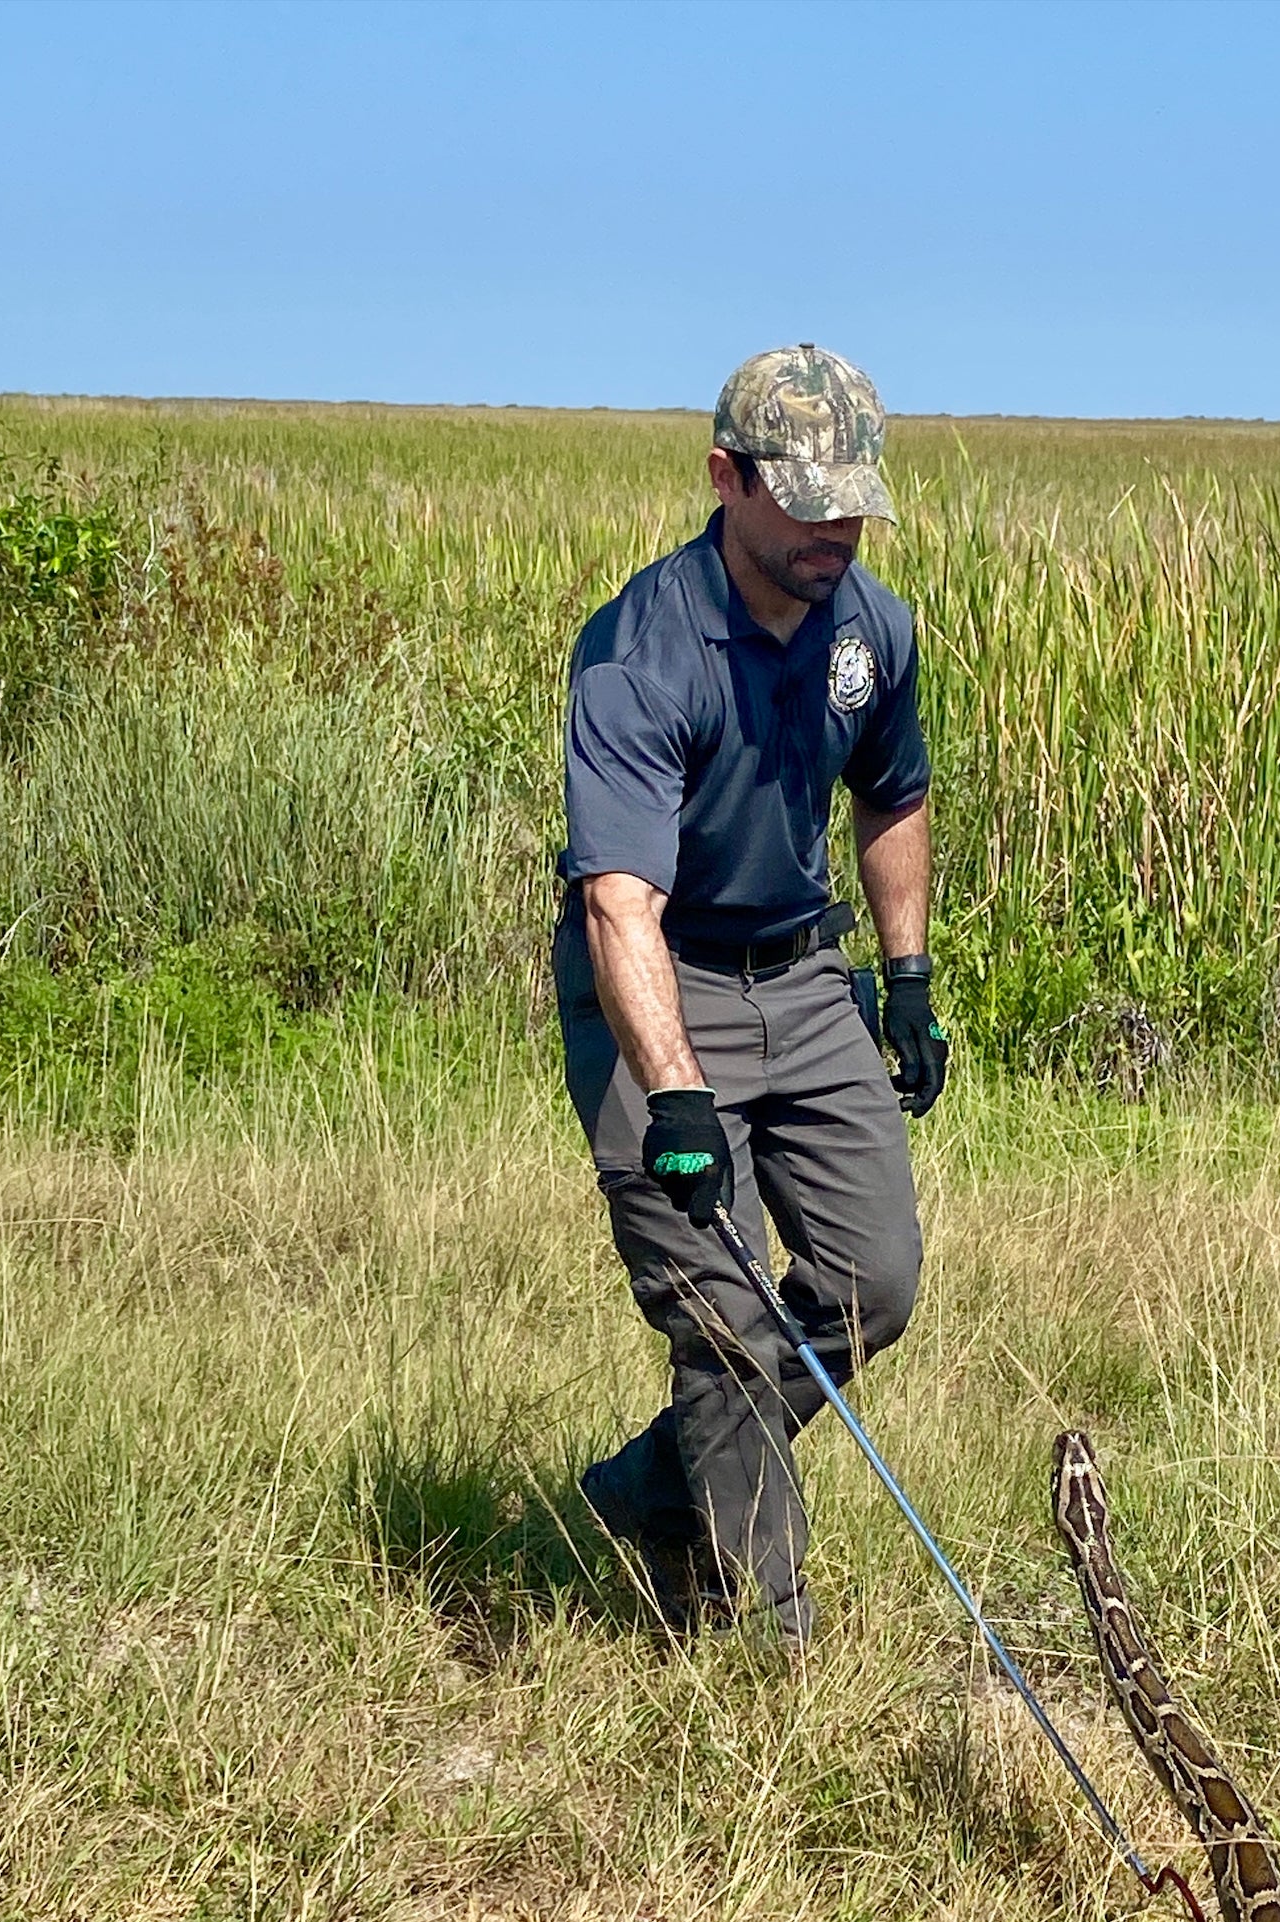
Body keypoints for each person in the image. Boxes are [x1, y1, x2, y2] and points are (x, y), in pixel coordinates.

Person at [554, 343, 948, 1655]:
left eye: (854, 505)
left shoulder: (869, 628)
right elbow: (621, 905)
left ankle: (660, 1483)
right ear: (726, 478)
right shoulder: (639, 652)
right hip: (664, 982)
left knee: (871, 1279)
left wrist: (905, 979)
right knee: (720, 1322)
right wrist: (674, 1092)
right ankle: (762, 1647)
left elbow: (893, 794)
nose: (837, 531)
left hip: (806, 972)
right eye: (807, 503)